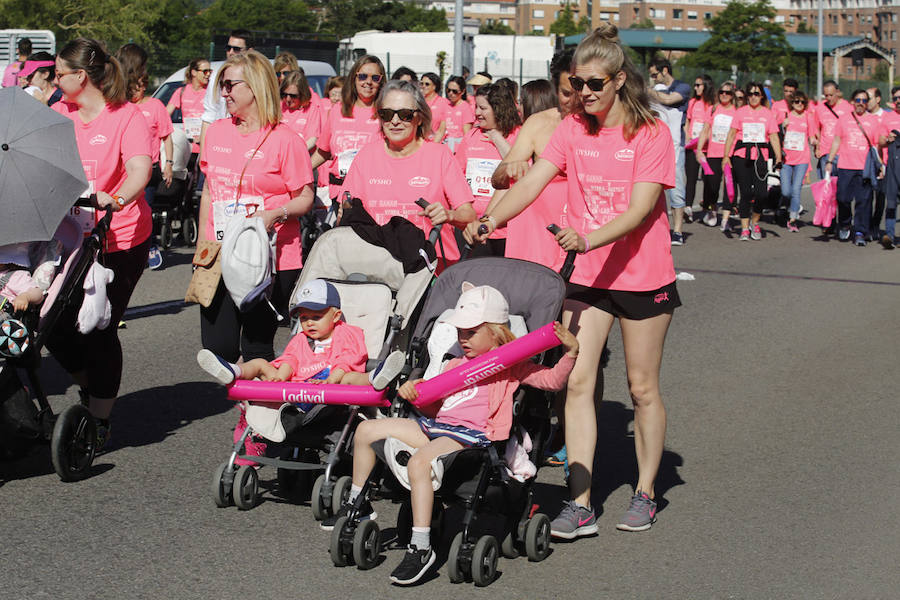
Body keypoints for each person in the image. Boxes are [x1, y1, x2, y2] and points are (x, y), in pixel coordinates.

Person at [475, 24, 681, 537]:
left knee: (641, 387)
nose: (584, 93)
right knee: (578, 380)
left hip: (641, 275)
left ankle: (646, 492)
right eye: (578, 83)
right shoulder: (571, 129)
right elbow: (534, 181)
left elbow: (638, 211)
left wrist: (587, 239)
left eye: (594, 84)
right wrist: (491, 219)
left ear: (617, 82)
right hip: (587, 277)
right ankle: (581, 501)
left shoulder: (650, 131)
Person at [324, 283, 578, 585]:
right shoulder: (454, 364)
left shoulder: (510, 366)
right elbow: (434, 411)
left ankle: (421, 547)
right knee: (366, 430)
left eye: (471, 332)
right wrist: (413, 394)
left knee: (419, 462)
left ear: (496, 333)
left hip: (472, 437)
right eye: (460, 332)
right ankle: (358, 505)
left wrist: (571, 353)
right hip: (438, 427)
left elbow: (551, 381)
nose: (463, 339)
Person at [48, 38, 153, 448]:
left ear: (81, 75)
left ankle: (100, 419)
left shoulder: (126, 116)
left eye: (59, 74)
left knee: (99, 326)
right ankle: (92, 390)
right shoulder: (58, 114)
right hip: (70, 236)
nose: (54, 80)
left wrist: (119, 197)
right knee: (52, 325)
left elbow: (140, 167)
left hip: (120, 237)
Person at [198, 50, 315, 369]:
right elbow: (209, 191)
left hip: (270, 256)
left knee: (256, 346)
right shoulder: (218, 131)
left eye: (229, 84)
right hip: (220, 250)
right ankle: (251, 398)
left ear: (254, 86)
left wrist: (274, 214)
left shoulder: (285, 139)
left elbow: (305, 197)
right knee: (216, 347)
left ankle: (258, 415)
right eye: (222, 85)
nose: (223, 92)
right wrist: (201, 249)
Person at [197, 279, 368, 464]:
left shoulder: (346, 333)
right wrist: (279, 377)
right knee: (261, 364)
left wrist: (332, 380)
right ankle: (234, 370)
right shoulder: (301, 339)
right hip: (294, 390)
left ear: (336, 316)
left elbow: (347, 360)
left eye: (316, 317)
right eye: (304, 318)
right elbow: (290, 360)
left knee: (351, 377)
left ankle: (375, 378)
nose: (309, 323)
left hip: (330, 388)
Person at [338, 79, 476, 266]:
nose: (395, 121)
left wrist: (448, 215)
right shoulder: (366, 155)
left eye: (405, 114)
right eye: (386, 114)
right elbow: (346, 211)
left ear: (419, 118)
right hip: (377, 272)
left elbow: (469, 215)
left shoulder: (440, 155)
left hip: (430, 270)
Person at [484, 48, 576, 271]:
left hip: (583, 236)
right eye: (566, 93)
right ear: (555, 89)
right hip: (537, 240)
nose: (576, 100)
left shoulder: (605, 127)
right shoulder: (538, 123)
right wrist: (510, 168)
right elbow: (499, 179)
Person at [116, 43, 174, 270]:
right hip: (120, 168)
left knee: (142, 208)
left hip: (145, 167)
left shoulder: (153, 105)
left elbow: (166, 135)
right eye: (143, 67)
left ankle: (145, 245)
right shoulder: (118, 101)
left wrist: (168, 163)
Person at [454, 83, 521, 257]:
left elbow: (522, 171)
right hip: (472, 227)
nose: (477, 113)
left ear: (498, 109)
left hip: (507, 229)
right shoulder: (471, 137)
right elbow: (456, 178)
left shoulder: (518, 135)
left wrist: (497, 138)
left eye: (483, 108)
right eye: (476, 107)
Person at [310, 54, 384, 201]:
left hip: (372, 192)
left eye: (375, 78)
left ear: (381, 82)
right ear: (354, 78)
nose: (368, 82)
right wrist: (301, 171)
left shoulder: (385, 112)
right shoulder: (338, 110)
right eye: (362, 76)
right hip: (340, 192)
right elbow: (324, 151)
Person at [722, 81, 782, 241]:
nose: (753, 97)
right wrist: (726, 155)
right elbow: (732, 134)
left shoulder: (767, 114)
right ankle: (744, 228)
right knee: (746, 193)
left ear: (762, 96)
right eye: (751, 94)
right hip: (741, 156)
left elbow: (774, 136)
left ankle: (755, 221)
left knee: (762, 194)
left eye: (757, 94)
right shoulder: (740, 112)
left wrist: (778, 156)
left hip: (760, 156)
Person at [824, 89, 882, 246]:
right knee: (843, 198)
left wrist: (881, 165)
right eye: (858, 100)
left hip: (865, 168)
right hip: (845, 166)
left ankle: (860, 232)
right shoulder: (844, 119)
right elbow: (836, 140)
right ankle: (844, 223)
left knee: (864, 201)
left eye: (864, 101)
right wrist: (829, 161)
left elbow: (876, 145)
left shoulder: (873, 120)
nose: (861, 104)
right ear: (852, 102)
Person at [647, 57, 691, 246]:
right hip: (654, 147)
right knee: (650, 191)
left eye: (655, 74)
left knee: (677, 191)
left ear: (665, 70)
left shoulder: (682, 87)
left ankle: (678, 230)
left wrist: (647, 91)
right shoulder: (653, 90)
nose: (654, 79)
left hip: (675, 147)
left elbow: (668, 99)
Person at [200, 29, 253, 150]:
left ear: (250, 51)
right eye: (228, 48)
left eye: (236, 49)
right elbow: (208, 116)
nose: (231, 52)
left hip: (247, 141)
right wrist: (203, 155)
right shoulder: (216, 76)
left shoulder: (258, 78)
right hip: (221, 140)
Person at [696, 81, 736, 229]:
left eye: (728, 93)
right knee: (712, 184)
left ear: (732, 95)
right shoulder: (714, 109)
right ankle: (711, 208)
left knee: (729, 186)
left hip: (730, 155)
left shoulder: (736, 111)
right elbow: (705, 130)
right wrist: (700, 149)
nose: (724, 95)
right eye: (722, 92)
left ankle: (726, 216)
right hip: (713, 153)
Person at [780, 91, 815, 232]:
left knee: (796, 190)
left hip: (802, 159)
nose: (799, 104)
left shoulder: (808, 117)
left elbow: (812, 135)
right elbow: (777, 135)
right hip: (786, 159)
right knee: (786, 191)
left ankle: (793, 218)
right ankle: (783, 206)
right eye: (796, 102)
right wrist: (782, 126)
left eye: (802, 102)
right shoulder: (786, 117)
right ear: (791, 103)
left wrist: (814, 141)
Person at [685, 74, 715, 226]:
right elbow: (687, 122)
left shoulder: (712, 106)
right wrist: (687, 136)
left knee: (708, 179)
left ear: (706, 86)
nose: (696, 88)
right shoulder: (692, 103)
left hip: (708, 149)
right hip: (692, 148)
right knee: (690, 178)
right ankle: (688, 207)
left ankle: (708, 208)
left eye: (699, 85)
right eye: (695, 85)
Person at [167, 58, 211, 155]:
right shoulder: (181, 92)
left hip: (205, 148)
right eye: (205, 71)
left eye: (210, 71)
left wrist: (204, 136)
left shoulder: (211, 93)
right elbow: (164, 116)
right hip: (185, 148)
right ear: (194, 72)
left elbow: (219, 120)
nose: (208, 74)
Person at [813, 80, 851, 179]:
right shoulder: (820, 108)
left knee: (841, 188)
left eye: (831, 95)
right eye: (826, 95)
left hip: (842, 153)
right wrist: (817, 147)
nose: (828, 98)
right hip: (825, 152)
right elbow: (817, 128)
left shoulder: (848, 108)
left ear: (837, 92)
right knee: (826, 187)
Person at [878, 86, 900, 249]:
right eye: (895, 99)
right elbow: (880, 141)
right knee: (891, 202)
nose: (898, 101)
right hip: (891, 164)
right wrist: (888, 138)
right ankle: (890, 236)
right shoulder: (887, 118)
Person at [280, 69, 321, 151]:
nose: (288, 99)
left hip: (301, 155)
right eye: (284, 94)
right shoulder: (279, 106)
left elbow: (313, 139)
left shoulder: (311, 109)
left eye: (293, 96)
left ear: (302, 94)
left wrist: (296, 152)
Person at [867, 87, 887, 240]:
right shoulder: (862, 116)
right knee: (865, 196)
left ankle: (875, 225)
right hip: (865, 162)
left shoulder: (885, 117)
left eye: (869, 98)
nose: (866, 101)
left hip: (882, 162)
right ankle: (865, 226)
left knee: (880, 196)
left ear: (878, 99)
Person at [442, 75, 474, 151]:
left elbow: (466, 134)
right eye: (448, 90)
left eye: (454, 91)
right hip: (445, 146)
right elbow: (441, 130)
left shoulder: (465, 107)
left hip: (458, 148)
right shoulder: (446, 106)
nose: (450, 93)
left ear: (462, 92)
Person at [421, 72, 448, 141]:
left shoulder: (444, 103)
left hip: (439, 141)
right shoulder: (419, 102)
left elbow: (442, 128)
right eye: (422, 84)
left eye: (427, 84)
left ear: (434, 86)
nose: (423, 86)